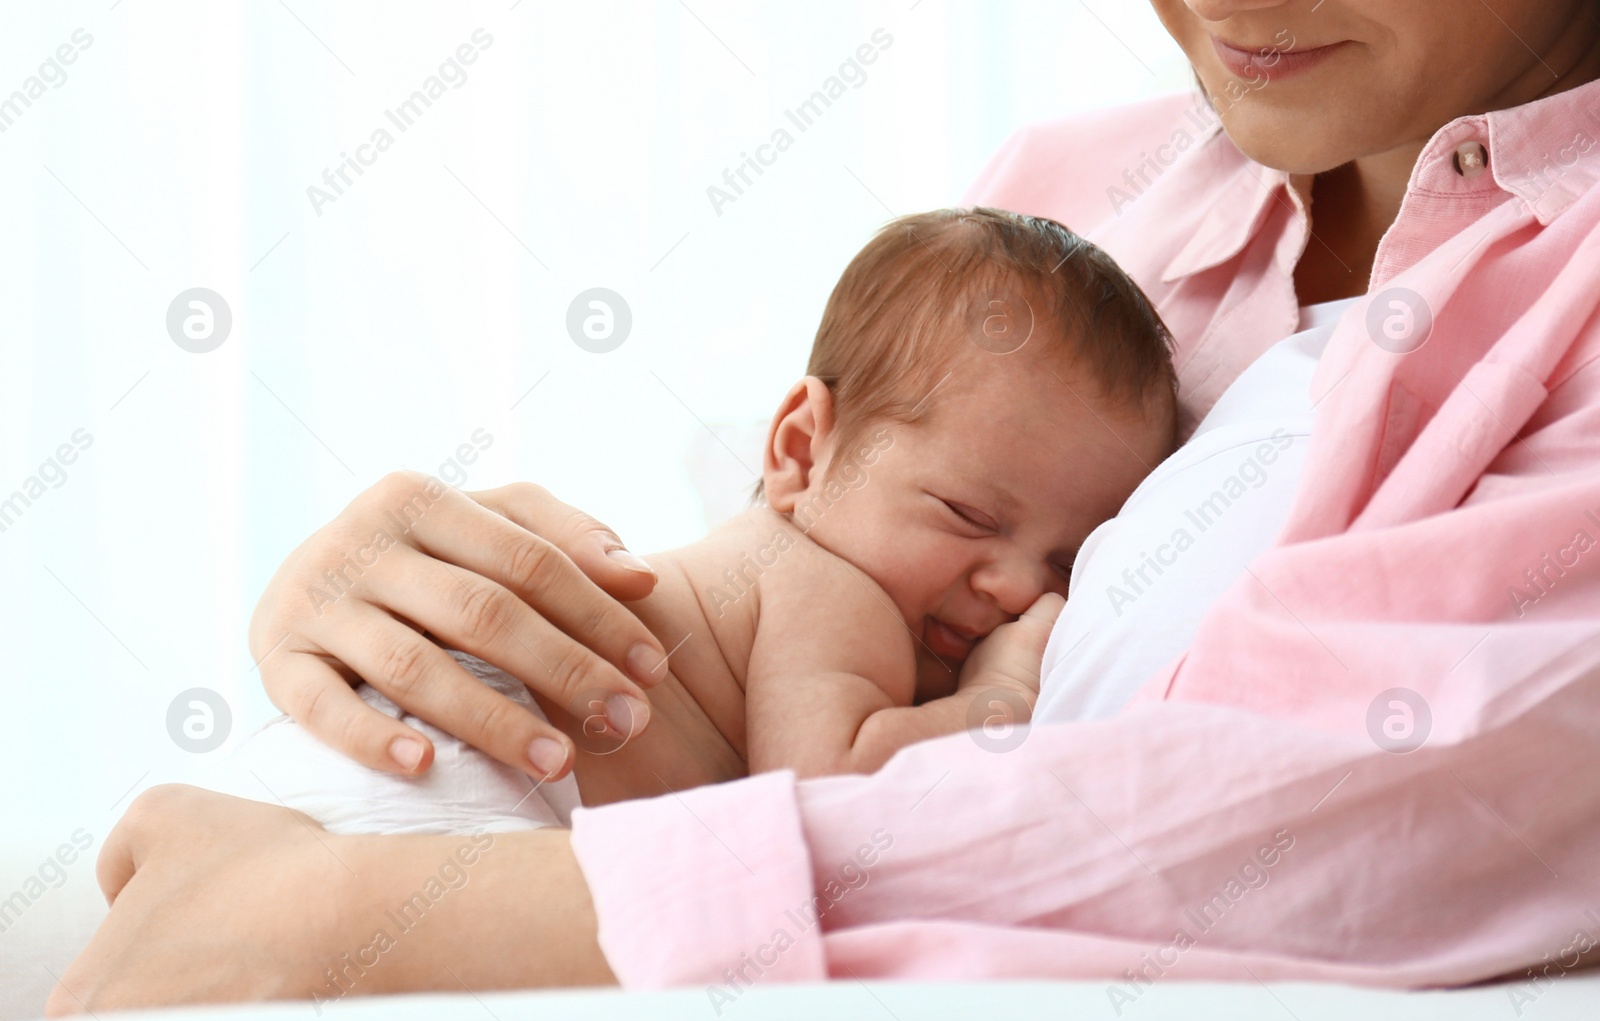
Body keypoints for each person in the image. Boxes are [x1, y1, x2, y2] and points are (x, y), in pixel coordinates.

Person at [49, 0, 1600, 1015]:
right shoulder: (1092, 192)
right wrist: (395, 588)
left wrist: (346, 923)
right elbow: (795, 556)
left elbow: (1326, 820)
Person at [219, 209, 1176, 834]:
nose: (1016, 588)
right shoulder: (833, 590)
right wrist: (998, 697)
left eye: (1065, 563)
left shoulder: (761, 564)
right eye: (968, 514)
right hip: (468, 769)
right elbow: (831, 792)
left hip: (388, 747)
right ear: (802, 452)